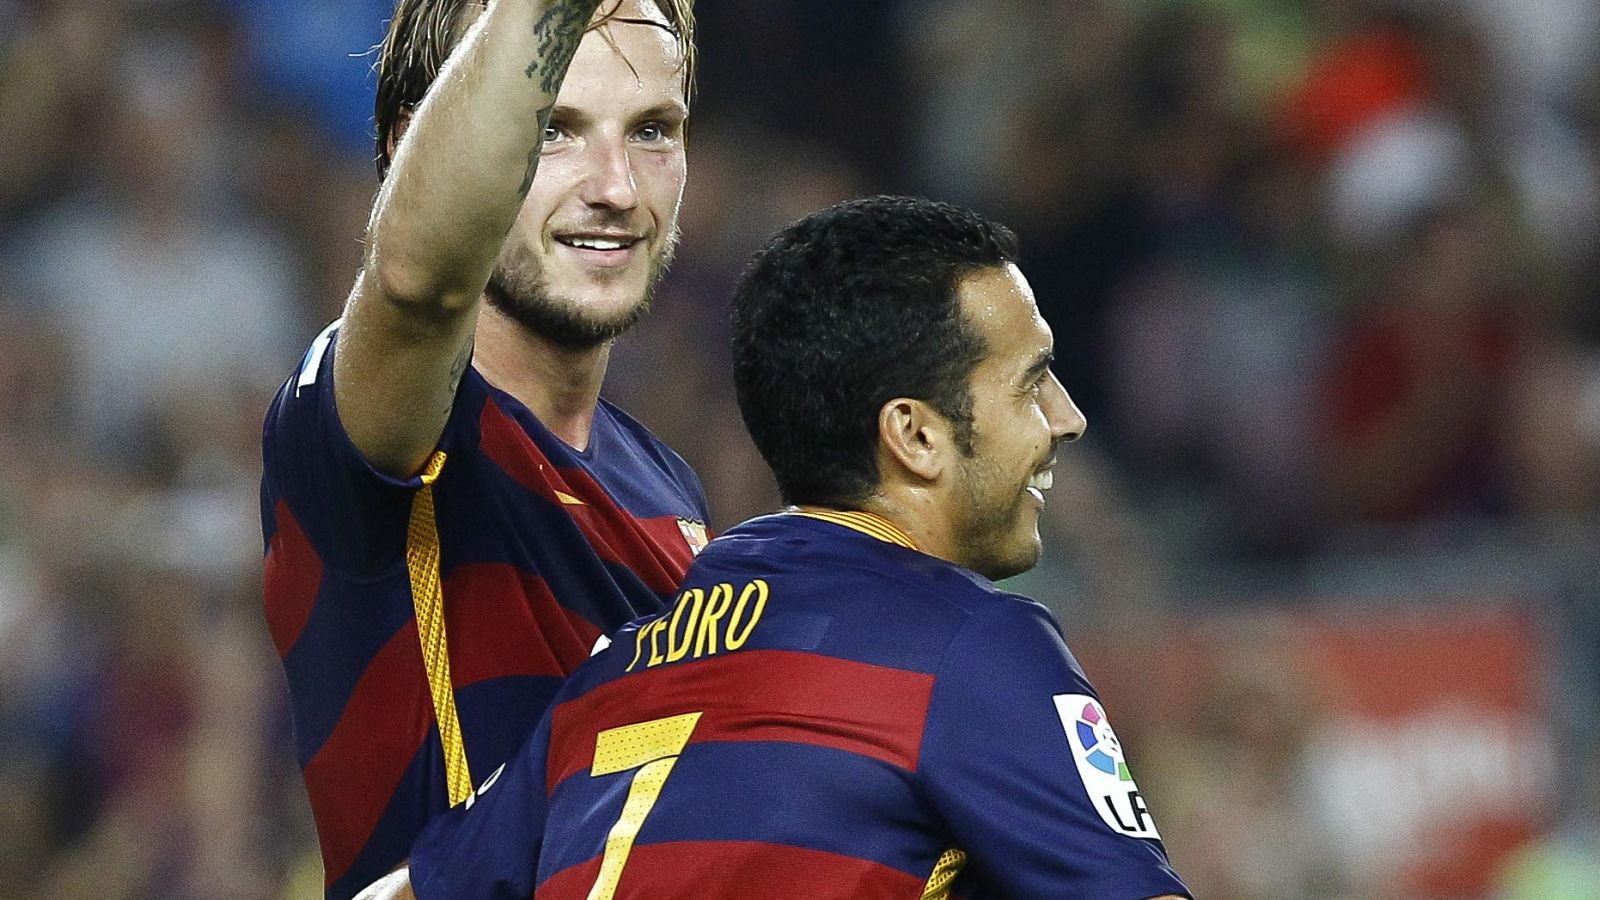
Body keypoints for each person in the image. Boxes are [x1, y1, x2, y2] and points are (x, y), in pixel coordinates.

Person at [390, 196, 1191, 899]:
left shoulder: (609, 679)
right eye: (1031, 382)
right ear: (914, 436)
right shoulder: (970, 648)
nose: (1067, 417)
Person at [258, 1, 707, 897]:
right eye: (553, 129)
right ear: (409, 146)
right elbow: (415, 283)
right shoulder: (367, 422)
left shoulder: (670, 487)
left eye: (652, 130)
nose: (617, 188)